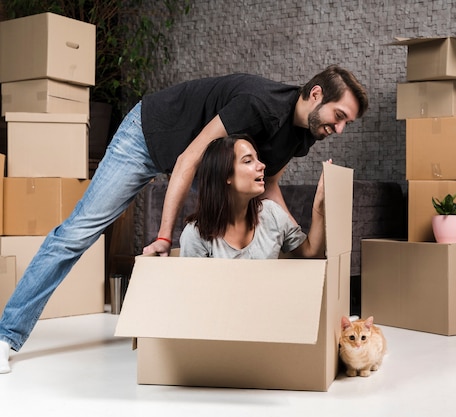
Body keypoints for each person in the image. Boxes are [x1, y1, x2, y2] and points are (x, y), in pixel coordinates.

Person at [0, 65, 368, 373]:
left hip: (183, 156)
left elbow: (268, 183)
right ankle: (6, 336)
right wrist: (163, 235)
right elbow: (190, 158)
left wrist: (299, 238)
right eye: (339, 117)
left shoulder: (302, 137)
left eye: (346, 124)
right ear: (316, 94)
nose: (338, 130)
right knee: (78, 233)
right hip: (147, 137)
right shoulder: (259, 105)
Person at [179, 134, 326, 259]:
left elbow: (311, 253)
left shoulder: (272, 213)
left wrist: (319, 206)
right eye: (248, 161)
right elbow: (193, 290)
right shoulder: (195, 235)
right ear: (225, 175)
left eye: (257, 158)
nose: (261, 165)